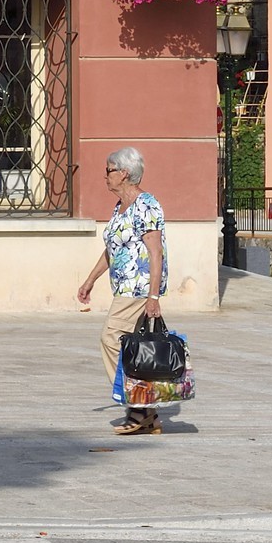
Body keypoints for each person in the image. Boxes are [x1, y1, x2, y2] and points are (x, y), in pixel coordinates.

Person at [77, 145, 169, 436]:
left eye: (108, 170)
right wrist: (90, 280)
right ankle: (146, 412)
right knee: (129, 347)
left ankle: (140, 406)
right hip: (125, 288)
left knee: (110, 338)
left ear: (124, 173)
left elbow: (155, 252)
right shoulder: (121, 208)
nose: (105, 176)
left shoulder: (146, 205)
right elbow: (112, 250)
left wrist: (153, 297)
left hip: (138, 288)